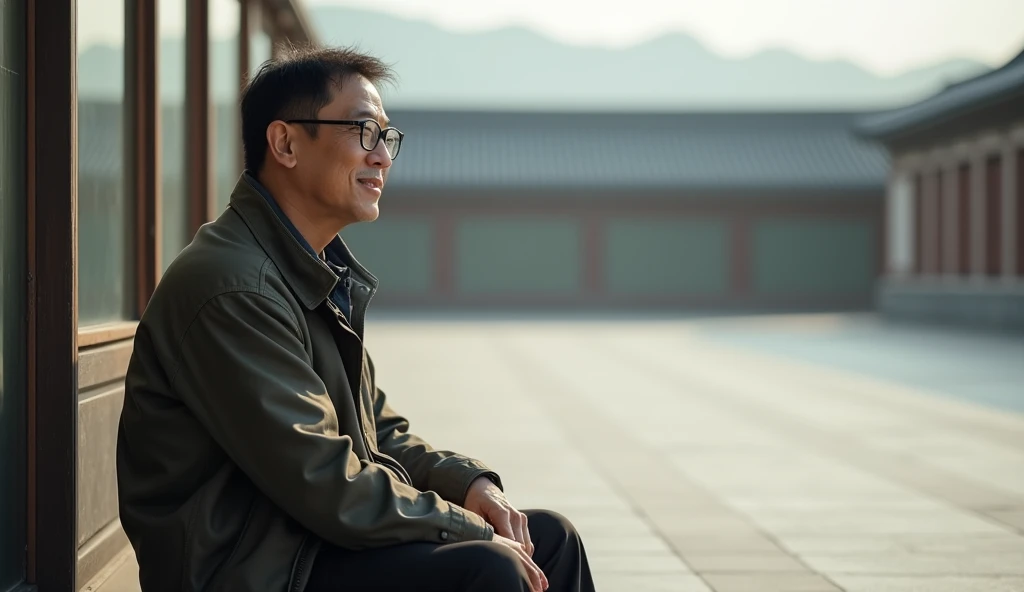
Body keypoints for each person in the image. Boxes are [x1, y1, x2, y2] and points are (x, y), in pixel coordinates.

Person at [116, 45, 596, 592]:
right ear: (286, 143)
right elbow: (323, 480)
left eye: (386, 137)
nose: (383, 157)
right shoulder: (233, 288)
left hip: (305, 542)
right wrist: (469, 531)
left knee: (551, 538)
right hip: (252, 570)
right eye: (363, 131)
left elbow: (379, 434)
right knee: (490, 567)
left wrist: (470, 487)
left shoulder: (308, 269)